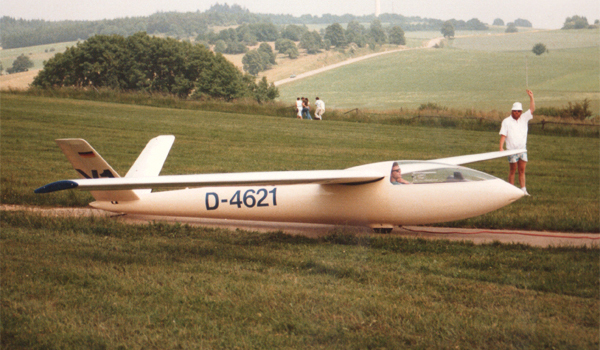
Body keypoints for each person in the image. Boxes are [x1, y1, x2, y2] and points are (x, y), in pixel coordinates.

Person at [499, 89, 535, 195]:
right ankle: (511, 190)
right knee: (513, 169)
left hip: (522, 149)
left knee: (522, 170)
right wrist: (501, 147)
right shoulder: (506, 121)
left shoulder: (524, 118)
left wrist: (531, 97)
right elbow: (503, 135)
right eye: (515, 111)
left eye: (519, 111)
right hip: (511, 150)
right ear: (512, 111)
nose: (517, 113)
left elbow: (532, 109)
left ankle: (523, 190)